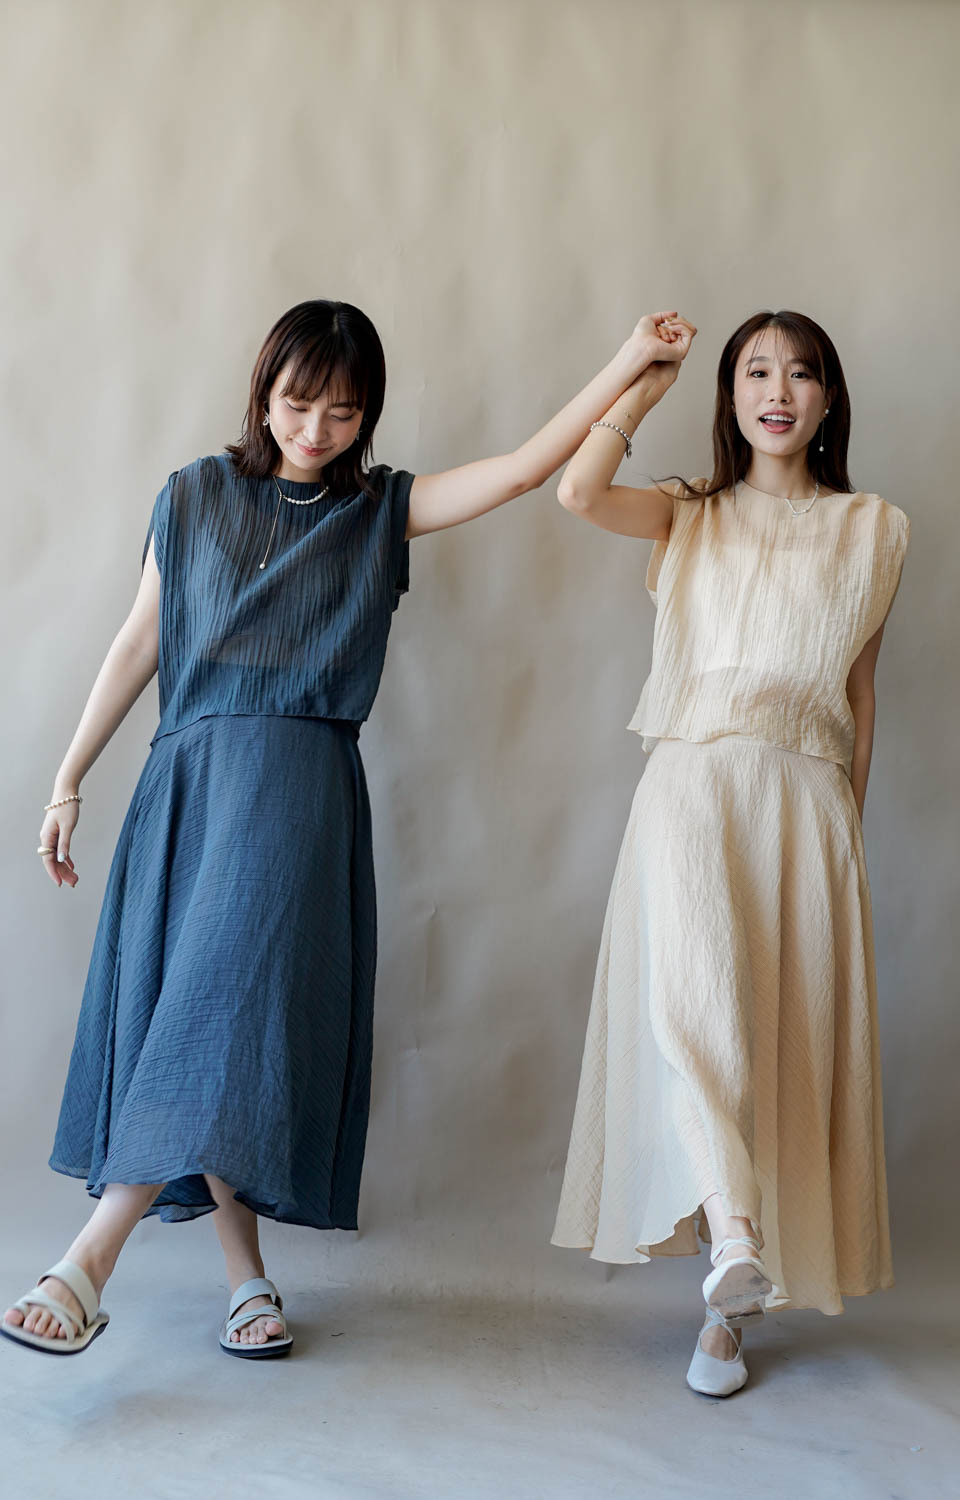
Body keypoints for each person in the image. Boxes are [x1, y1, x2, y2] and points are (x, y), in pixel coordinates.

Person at [3, 298, 681, 1359]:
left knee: (222, 1003)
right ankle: (247, 1279)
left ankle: (88, 1261)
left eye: (343, 412)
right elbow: (142, 640)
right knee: (203, 1014)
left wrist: (632, 368)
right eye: (296, 403)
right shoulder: (193, 494)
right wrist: (67, 777)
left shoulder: (378, 510)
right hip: (187, 779)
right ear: (262, 393)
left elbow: (517, 472)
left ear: (369, 416)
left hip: (295, 784)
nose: (315, 430)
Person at [551, 309, 910, 1397]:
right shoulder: (687, 512)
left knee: (778, 1040)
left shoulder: (874, 529)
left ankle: (727, 1314)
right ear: (731, 395)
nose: (777, 391)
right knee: (692, 1010)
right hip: (691, 784)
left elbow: (859, 691)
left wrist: (851, 825)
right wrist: (640, 384)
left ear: (829, 398)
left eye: (800, 373)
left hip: (806, 801)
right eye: (755, 372)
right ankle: (737, 1233)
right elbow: (576, 493)